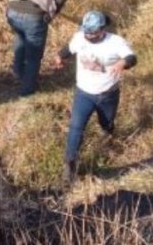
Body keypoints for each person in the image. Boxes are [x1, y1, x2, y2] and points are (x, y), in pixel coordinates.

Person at [53, 10, 137, 184]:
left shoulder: (115, 42)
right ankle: (70, 165)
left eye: (92, 32)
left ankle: (109, 138)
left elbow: (132, 57)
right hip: (83, 93)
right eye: (86, 32)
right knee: (76, 127)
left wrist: (123, 63)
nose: (89, 35)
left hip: (108, 94)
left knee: (106, 123)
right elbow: (69, 49)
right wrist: (60, 57)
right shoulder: (79, 38)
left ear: (102, 29)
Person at [6, 0, 67, 96]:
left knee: (21, 37)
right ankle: (28, 89)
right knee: (34, 55)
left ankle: (18, 72)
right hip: (34, 15)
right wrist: (51, 14)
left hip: (12, 11)